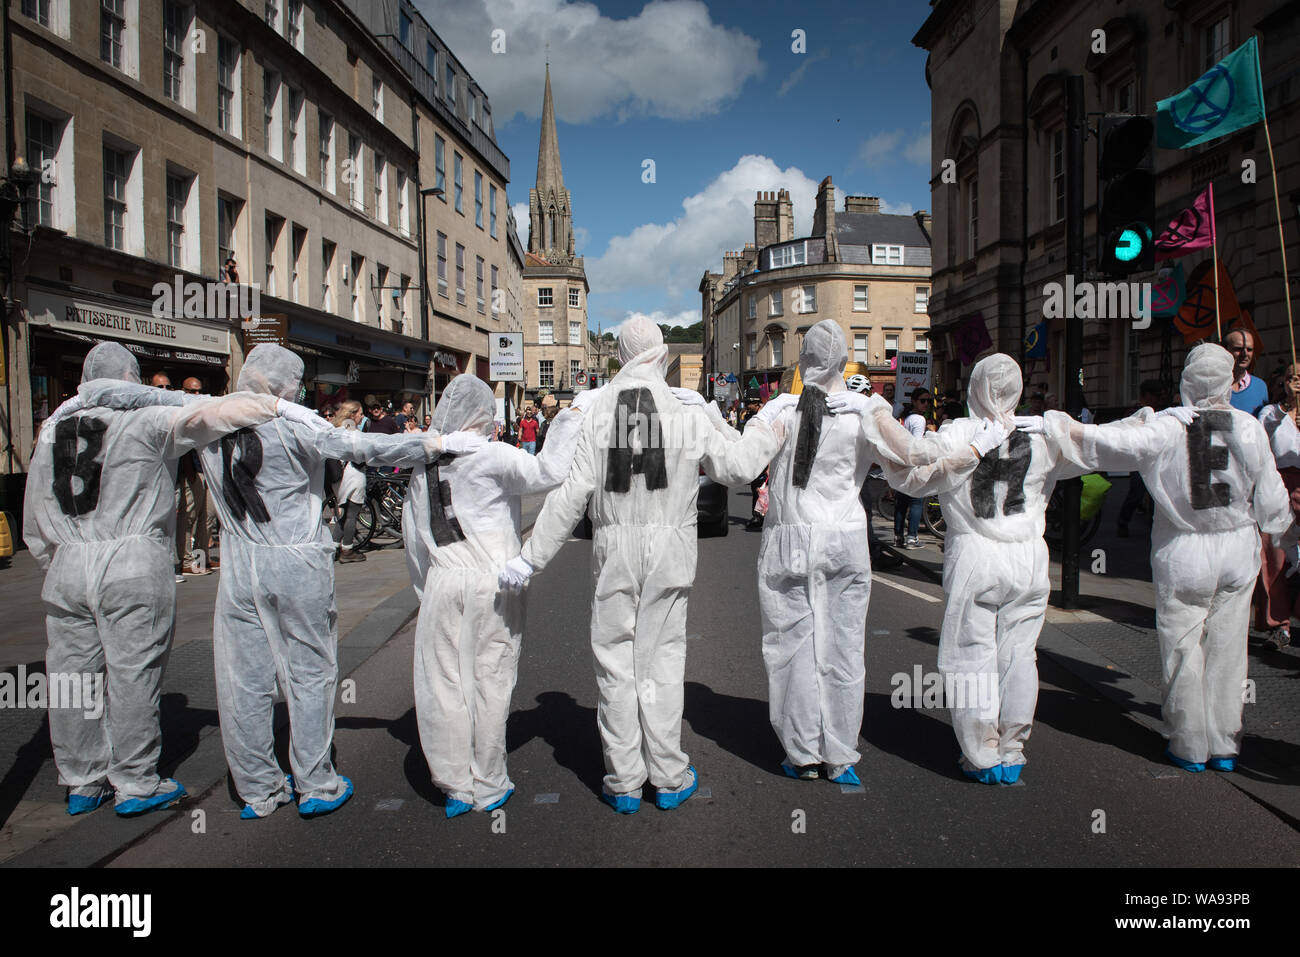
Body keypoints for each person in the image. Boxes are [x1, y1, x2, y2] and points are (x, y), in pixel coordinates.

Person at [498, 316, 788, 814]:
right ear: (658, 352)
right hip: (671, 544)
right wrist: (768, 430)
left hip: (614, 545)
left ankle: (624, 780)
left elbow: (572, 495)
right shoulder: (686, 409)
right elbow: (738, 468)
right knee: (662, 660)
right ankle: (670, 775)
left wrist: (531, 558)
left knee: (615, 662)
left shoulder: (596, 409)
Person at [24, 342, 317, 817]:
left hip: (67, 565)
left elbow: (34, 513)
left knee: (71, 679)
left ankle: (82, 780)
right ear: (131, 378)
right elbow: (219, 413)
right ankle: (136, 781)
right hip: (131, 561)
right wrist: (277, 400)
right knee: (133, 674)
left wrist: (51, 563)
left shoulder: (54, 425)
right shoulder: (148, 420)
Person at [1022, 343, 1290, 773]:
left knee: (1183, 648)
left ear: (1186, 381)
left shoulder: (1167, 427)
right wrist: (1276, 528)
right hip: (1238, 547)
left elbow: (1101, 445)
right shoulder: (1250, 427)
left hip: (1184, 549)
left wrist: (1053, 423)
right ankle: (1224, 742)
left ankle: (1188, 743)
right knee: (1229, 649)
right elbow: (1273, 499)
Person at [758, 322, 1006, 785]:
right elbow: (912, 461)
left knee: (792, 647)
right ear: (845, 358)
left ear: (802, 357)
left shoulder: (781, 407)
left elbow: (739, 465)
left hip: (791, 539)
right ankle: (839, 753)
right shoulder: (865, 410)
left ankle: (802, 752)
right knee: (845, 648)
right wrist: (973, 446)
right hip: (845, 541)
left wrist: (707, 421)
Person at [866, 354, 1122, 784]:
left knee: (972, 657)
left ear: (975, 389)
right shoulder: (1042, 432)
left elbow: (913, 477)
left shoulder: (961, 433)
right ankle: (1013, 749)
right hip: (1027, 555)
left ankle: (980, 753)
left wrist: (875, 428)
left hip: (977, 554)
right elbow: (1102, 449)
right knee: (1021, 655)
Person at [404, 375, 584, 817]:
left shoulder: (425, 463)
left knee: (444, 682)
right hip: (494, 579)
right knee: (491, 676)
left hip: (445, 578)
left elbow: (412, 534)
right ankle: (488, 780)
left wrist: (426, 589)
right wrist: (568, 421)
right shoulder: (493, 453)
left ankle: (454, 784)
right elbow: (548, 472)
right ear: (482, 414)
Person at [1253, 364, 1300, 650]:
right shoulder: (1271, 412)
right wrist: (1286, 407)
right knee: (1274, 556)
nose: (1298, 383)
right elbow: (1264, 434)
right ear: (1283, 382)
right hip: (1279, 485)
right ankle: (1278, 623)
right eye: (1294, 377)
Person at [1117, 379, 1164, 538]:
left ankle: (1153, 525)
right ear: (1146, 395)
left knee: (1155, 493)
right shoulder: (1134, 412)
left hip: (1155, 459)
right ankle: (1123, 521)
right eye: (1155, 395)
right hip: (1139, 459)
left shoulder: (1160, 412)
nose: (1158, 399)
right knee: (1137, 492)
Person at [329, 401, 369, 563]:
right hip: (353, 474)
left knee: (344, 515)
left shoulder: (336, 430)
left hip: (338, 476)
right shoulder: (352, 431)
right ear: (352, 414)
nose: (362, 416)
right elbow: (360, 454)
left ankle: (333, 549)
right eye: (360, 413)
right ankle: (347, 549)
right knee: (352, 514)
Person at [894, 388, 931, 548]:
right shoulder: (919, 420)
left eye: (928, 401)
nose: (926, 404)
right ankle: (912, 537)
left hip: (903, 463)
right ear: (914, 401)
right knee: (916, 501)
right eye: (922, 400)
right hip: (914, 464)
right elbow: (916, 444)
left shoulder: (908, 418)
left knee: (901, 502)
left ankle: (898, 536)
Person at [1225, 327, 1268, 417]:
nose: (1245, 354)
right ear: (1225, 350)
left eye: (1249, 349)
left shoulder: (1260, 386)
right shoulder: (1213, 385)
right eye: (1239, 349)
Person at [739, 389, 766, 531]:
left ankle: (759, 516)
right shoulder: (751, 415)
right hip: (754, 455)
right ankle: (758, 514)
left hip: (764, 456)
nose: (747, 406)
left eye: (749, 403)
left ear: (756, 403)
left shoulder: (764, 416)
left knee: (760, 486)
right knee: (756, 486)